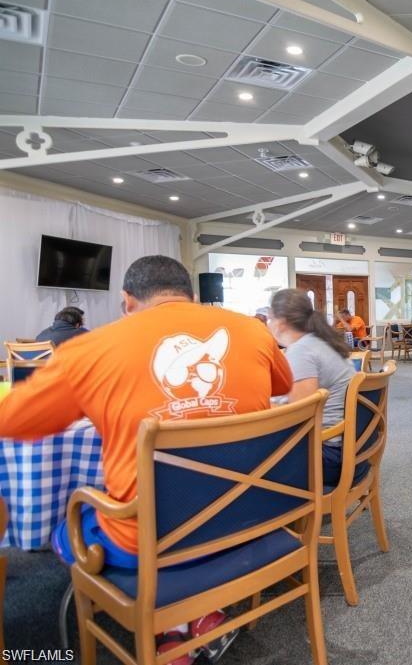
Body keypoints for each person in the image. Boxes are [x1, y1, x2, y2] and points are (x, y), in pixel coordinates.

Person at [0, 255, 292, 664]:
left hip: (146, 542)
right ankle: (189, 618)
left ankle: (172, 624)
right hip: (249, 517)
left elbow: (13, 420)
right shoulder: (252, 330)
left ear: (127, 301)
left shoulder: (91, 349)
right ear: (191, 296)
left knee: (70, 525)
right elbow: (282, 384)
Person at [268, 290, 356, 489]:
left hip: (326, 454)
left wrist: (261, 405)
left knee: (243, 454)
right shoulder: (321, 342)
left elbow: (300, 415)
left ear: (280, 322)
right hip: (345, 446)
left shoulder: (302, 350)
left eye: (269, 318)